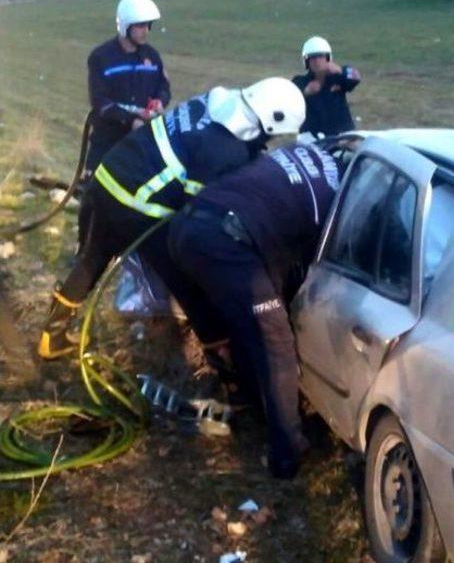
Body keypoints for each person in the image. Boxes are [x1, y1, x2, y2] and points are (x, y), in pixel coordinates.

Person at [37, 78, 306, 360]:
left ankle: (51, 338)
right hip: (138, 203)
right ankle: (224, 360)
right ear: (270, 121)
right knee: (187, 284)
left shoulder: (215, 103)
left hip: (110, 175)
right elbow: (198, 211)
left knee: (94, 258)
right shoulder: (226, 150)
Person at [167, 141, 345, 478]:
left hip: (186, 227)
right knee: (275, 340)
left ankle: (250, 399)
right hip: (224, 241)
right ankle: (287, 451)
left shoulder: (308, 153)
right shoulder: (332, 201)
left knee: (248, 323)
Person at [84, 0, 171, 177]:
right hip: (108, 139)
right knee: (93, 190)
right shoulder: (101, 57)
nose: (146, 30)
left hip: (141, 139)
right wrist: (131, 119)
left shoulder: (152, 57)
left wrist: (160, 101)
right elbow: (100, 102)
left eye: (148, 25)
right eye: (140, 25)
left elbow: (163, 87)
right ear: (125, 26)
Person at [292, 36, 361, 138]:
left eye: (321, 57)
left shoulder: (338, 77)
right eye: (312, 58)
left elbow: (355, 78)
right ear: (306, 61)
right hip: (311, 136)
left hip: (341, 134)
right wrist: (306, 92)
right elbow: (289, 99)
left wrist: (340, 71)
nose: (317, 61)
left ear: (328, 58)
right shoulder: (300, 81)